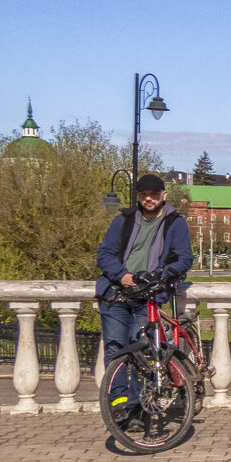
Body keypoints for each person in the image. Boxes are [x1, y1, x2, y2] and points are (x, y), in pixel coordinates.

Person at [96, 174, 194, 423]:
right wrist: (123, 275)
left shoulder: (175, 223)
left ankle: (137, 407)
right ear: (138, 197)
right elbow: (105, 253)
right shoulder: (124, 220)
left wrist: (160, 275)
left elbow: (184, 258)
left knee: (142, 351)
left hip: (148, 295)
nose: (148, 199)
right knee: (116, 349)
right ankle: (118, 407)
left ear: (163, 195)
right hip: (116, 294)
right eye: (142, 195)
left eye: (152, 194)